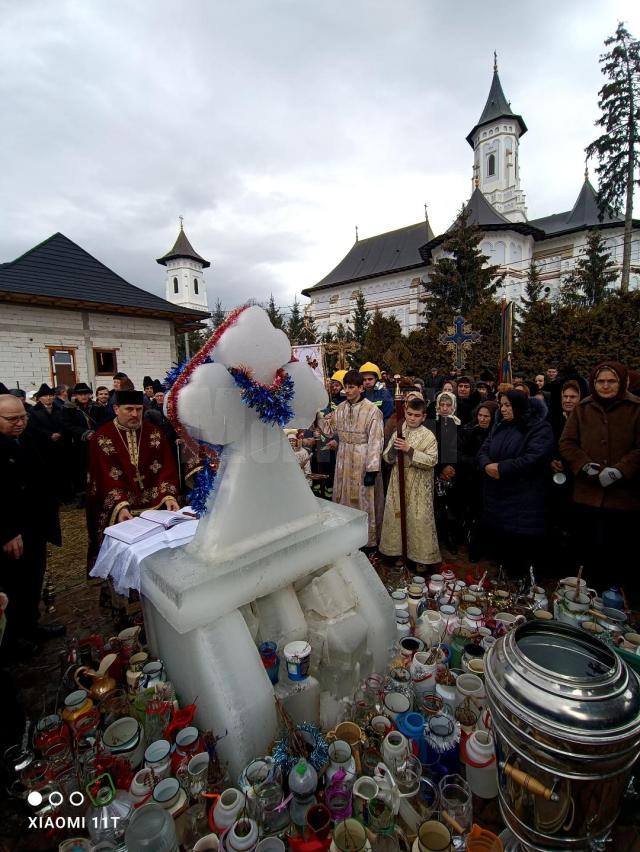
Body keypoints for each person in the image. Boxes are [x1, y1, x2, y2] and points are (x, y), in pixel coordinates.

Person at [559, 361, 640, 598]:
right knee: (585, 549)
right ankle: (582, 596)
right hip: (587, 493)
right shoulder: (583, 409)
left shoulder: (635, 409)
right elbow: (567, 443)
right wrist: (584, 465)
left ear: (622, 382)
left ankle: (615, 600)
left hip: (623, 498)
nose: (605, 386)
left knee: (617, 551)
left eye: (611, 381)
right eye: (600, 381)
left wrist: (620, 470)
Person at [0, 394, 64, 660]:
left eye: (23, 417)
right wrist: (6, 531)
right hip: (10, 532)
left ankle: (31, 625)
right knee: (11, 585)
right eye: (12, 419)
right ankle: (11, 640)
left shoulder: (29, 437)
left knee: (33, 578)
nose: (20, 423)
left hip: (34, 524)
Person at [86, 389, 180, 568]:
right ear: (116, 409)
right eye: (129, 409)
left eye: (139, 409)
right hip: (122, 509)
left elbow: (166, 468)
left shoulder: (155, 433)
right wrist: (119, 504)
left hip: (156, 506)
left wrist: (168, 495)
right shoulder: (102, 438)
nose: (135, 414)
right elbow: (104, 477)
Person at [477, 390, 554, 578]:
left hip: (523, 499)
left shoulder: (538, 428)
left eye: (508, 405)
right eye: (501, 405)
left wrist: (502, 468)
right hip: (498, 496)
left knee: (520, 552)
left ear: (519, 406)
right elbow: (484, 449)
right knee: (501, 547)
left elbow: (533, 458)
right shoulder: (501, 426)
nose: (503, 409)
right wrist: (486, 464)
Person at [323, 370, 384, 549]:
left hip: (363, 459)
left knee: (364, 499)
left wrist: (372, 469)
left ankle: (367, 541)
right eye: (346, 387)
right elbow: (328, 430)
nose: (347, 391)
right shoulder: (340, 408)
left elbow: (376, 440)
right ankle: (346, 536)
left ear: (360, 388)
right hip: (343, 458)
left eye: (351, 387)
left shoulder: (372, 410)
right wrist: (316, 416)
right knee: (344, 498)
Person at [379, 396, 440, 569]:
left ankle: (420, 557)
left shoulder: (428, 436)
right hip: (398, 479)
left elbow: (432, 460)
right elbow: (387, 456)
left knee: (417, 518)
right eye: (409, 414)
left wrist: (409, 450)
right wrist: (392, 452)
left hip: (418, 482)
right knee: (397, 516)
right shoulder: (400, 428)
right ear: (404, 413)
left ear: (423, 416)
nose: (412, 418)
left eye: (416, 415)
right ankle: (400, 552)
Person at [457, 401, 499, 561]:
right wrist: (474, 462)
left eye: (486, 416)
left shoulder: (496, 432)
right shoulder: (468, 429)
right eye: (480, 415)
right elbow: (457, 451)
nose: (482, 419)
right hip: (469, 478)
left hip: (489, 480)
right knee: (471, 514)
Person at [429, 391, 461, 553]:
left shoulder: (458, 424)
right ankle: (436, 537)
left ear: (453, 406)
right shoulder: (432, 424)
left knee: (451, 506)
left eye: (448, 405)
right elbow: (432, 448)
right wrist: (441, 468)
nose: (445, 408)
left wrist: (452, 467)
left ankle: (450, 537)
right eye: (442, 405)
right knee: (437, 505)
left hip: (453, 471)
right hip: (437, 470)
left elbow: (458, 447)